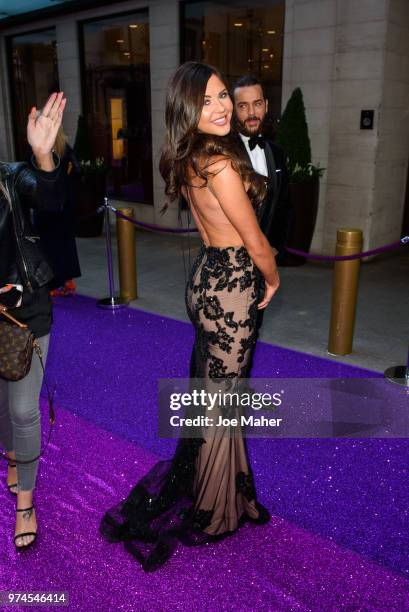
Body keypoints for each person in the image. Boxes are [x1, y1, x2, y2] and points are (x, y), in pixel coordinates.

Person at [99, 62, 280, 572]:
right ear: (188, 108)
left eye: (224, 96)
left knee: (218, 392)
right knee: (224, 401)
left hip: (206, 280)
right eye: (209, 101)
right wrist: (272, 277)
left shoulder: (191, 156)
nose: (222, 107)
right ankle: (215, 512)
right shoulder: (219, 164)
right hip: (233, 288)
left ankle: (233, 495)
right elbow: (255, 240)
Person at [0, 92, 67, 550]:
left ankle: (26, 503)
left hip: (25, 313)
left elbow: (50, 196)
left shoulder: (9, 177)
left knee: (23, 408)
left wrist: (43, 155)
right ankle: (10, 453)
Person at [232, 75, 292, 266]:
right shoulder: (224, 153)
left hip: (267, 259)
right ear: (234, 110)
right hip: (232, 261)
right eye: (243, 106)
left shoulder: (277, 153)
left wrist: (275, 248)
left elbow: (284, 205)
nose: (251, 113)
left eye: (257, 104)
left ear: (266, 105)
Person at [31, 123, 81, 297]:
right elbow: (78, 169)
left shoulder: (42, 150)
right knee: (65, 241)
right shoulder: (64, 147)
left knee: (48, 244)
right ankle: (68, 281)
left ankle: (53, 285)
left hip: (47, 205)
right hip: (65, 203)